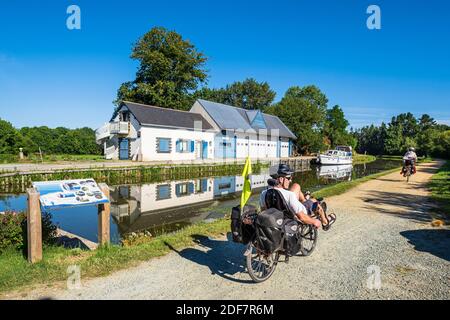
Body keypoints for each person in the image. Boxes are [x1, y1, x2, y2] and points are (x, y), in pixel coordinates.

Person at [260, 164, 336, 231]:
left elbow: (264, 212)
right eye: (289, 178)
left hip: (279, 217)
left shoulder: (264, 193)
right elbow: (302, 217)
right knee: (314, 201)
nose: (290, 180)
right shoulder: (289, 195)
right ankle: (325, 222)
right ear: (281, 179)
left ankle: (304, 199)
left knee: (296, 186)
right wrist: (314, 222)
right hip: (296, 214)